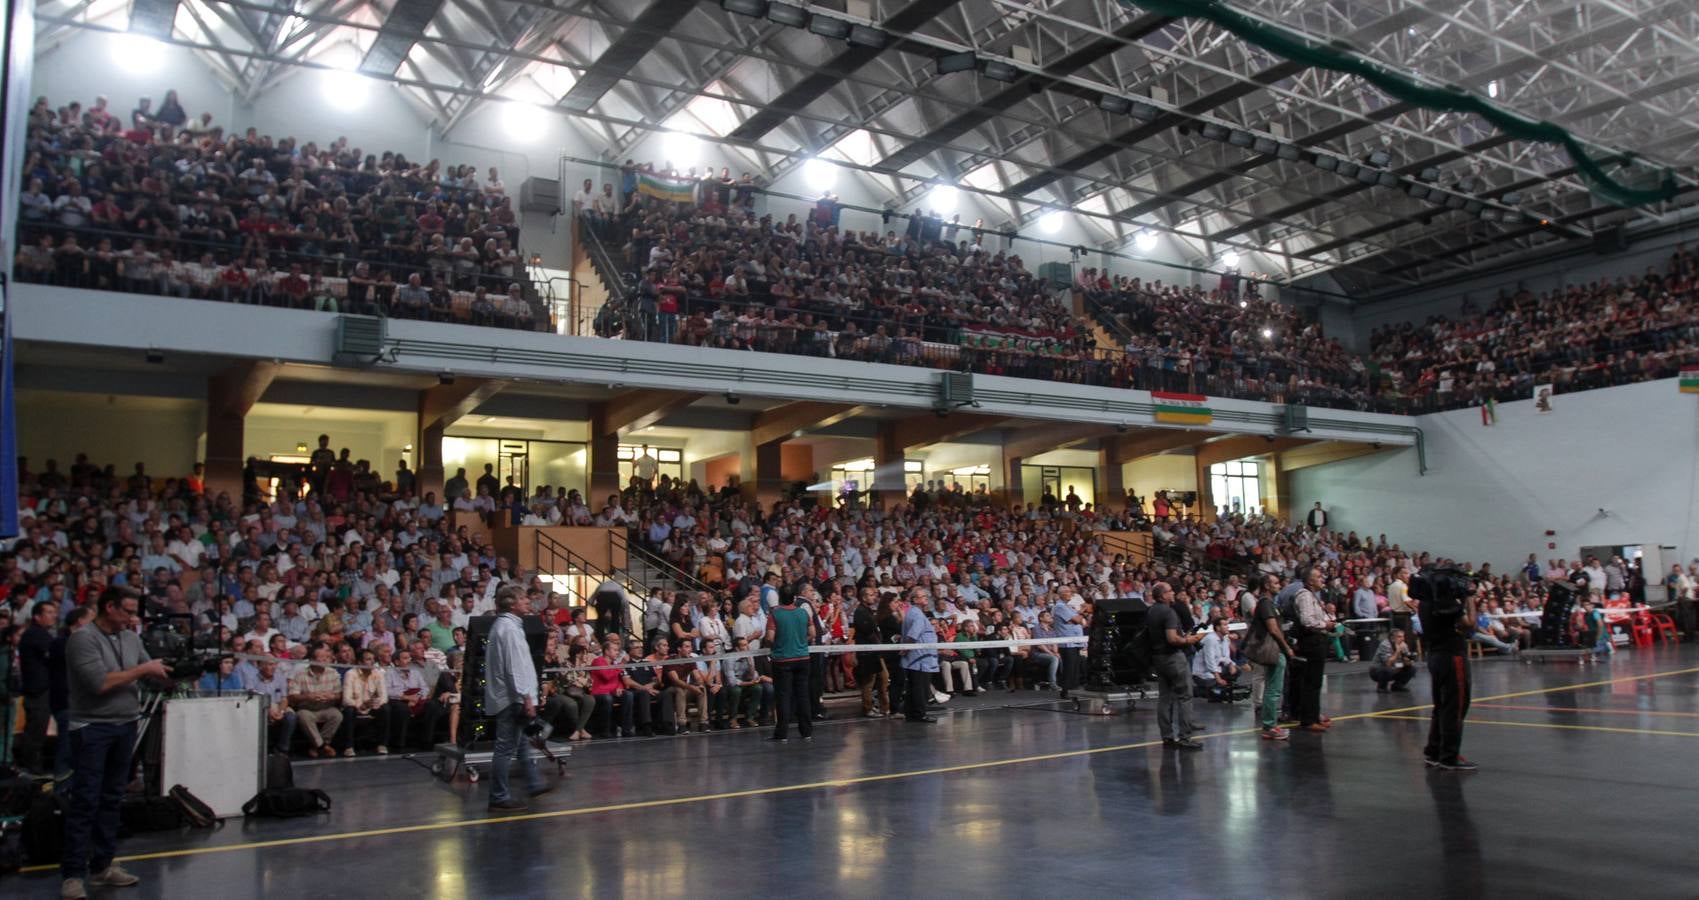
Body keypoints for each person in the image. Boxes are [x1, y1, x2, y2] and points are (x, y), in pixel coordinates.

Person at [61, 587, 171, 899]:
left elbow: (153, 673)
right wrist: (144, 669)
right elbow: (100, 683)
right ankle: (72, 874)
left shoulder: (131, 638)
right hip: (92, 727)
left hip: (125, 725)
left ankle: (102, 865)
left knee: (112, 798)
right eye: (127, 611)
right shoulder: (83, 639)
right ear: (109, 607)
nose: (132, 617)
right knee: (85, 799)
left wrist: (178, 672)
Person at [486, 586, 549, 810]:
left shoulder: (506, 627)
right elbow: (514, 668)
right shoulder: (509, 630)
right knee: (505, 748)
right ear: (512, 604)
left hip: (512, 697)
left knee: (522, 743)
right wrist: (526, 698)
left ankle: (532, 782)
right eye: (523, 598)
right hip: (512, 698)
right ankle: (499, 796)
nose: (527, 601)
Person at [1419, 569, 1478, 771]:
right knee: (1456, 706)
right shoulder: (1446, 603)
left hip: (1435, 655)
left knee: (1441, 706)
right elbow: (1469, 624)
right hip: (1452, 656)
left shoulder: (1425, 602)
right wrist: (1469, 598)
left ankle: (1433, 751)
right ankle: (1449, 756)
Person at [1146, 582, 1204, 749]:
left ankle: (1167, 736)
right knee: (1185, 697)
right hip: (1173, 657)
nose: (1173, 593)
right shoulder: (1168, 612)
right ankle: (1185, 737)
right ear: (1163, 595)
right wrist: (1188, 640)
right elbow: (1172, 638)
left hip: (1158, 658)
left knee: (1165, 697)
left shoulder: (1151, 611)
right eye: (1171, 591)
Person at [765, 585, 816, 742]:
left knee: (784, 696)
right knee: (803, 695)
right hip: (802, 658)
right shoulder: (803, 613)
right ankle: (806, 731)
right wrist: (801, 642)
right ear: (794, 598)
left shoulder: (775, 614)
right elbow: (812, 634)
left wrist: (781, 644)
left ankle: (782, 733)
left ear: (780, 598)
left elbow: (770, 638)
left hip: (783, 660)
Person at [1248, 575, 1296, 741]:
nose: (1279, 585)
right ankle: (1269, 726)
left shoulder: (1268, 603)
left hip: (1275, 649)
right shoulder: (1266, 604)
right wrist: (1286, 647)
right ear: (1267, 585)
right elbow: (1274, 630)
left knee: (1273, 687)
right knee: (1273, 689)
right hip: (1274, 650)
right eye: (1275, 583)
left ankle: (1270, 724)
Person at [18, 599, 57, 773]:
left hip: (42, 688)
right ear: (37, 616)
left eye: (53, 612)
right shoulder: (35, 634)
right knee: (36, 729)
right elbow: (53, 655)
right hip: (38, 690)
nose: (53, 615)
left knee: (38, 728)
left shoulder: (41, 634)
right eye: (48, 612)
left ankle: (32, 763)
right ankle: (30, 766)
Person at [899, 587, 940, 724]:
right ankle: (919, 714)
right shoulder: (917, 615)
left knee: (914, 686)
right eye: (922, 596)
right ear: (915, 599)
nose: (925, 598)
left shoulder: (913, 613)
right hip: (920, 658)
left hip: (918, 658)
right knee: (920, 687)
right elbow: (913, 635)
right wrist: (906, 648)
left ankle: (911, 713)